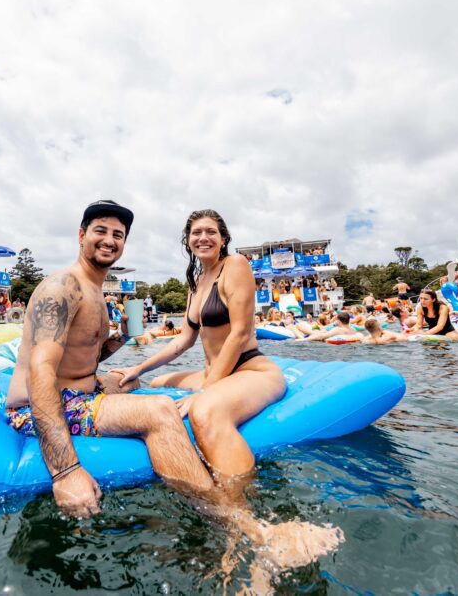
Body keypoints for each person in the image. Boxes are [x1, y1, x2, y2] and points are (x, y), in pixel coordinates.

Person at [114, 208, 342, 567]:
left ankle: (249, 525)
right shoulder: (194, 283)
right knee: (157, 383)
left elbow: (237, 333)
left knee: (205, 412)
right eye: (196, 233)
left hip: (250, 370)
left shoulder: (235, 266)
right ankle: (230, 515)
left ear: (223, 238)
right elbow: (182, 342)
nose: (203, 238)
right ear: (187, 241)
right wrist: (137, 367)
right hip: (211, 374)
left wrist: (207, 391)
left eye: (210, 232)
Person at [5, 201, 217, 521]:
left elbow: (91, 355)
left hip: (81, 393)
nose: (109, 240)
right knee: (158, 410)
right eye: (100, 231)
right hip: (34, 407)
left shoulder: (96, 292)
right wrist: (66, 472)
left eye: (118, 234)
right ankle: (228, 518)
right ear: (81, 235)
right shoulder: (63, 287)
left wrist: (123, 337)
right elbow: (41, 369)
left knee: (129, 379)